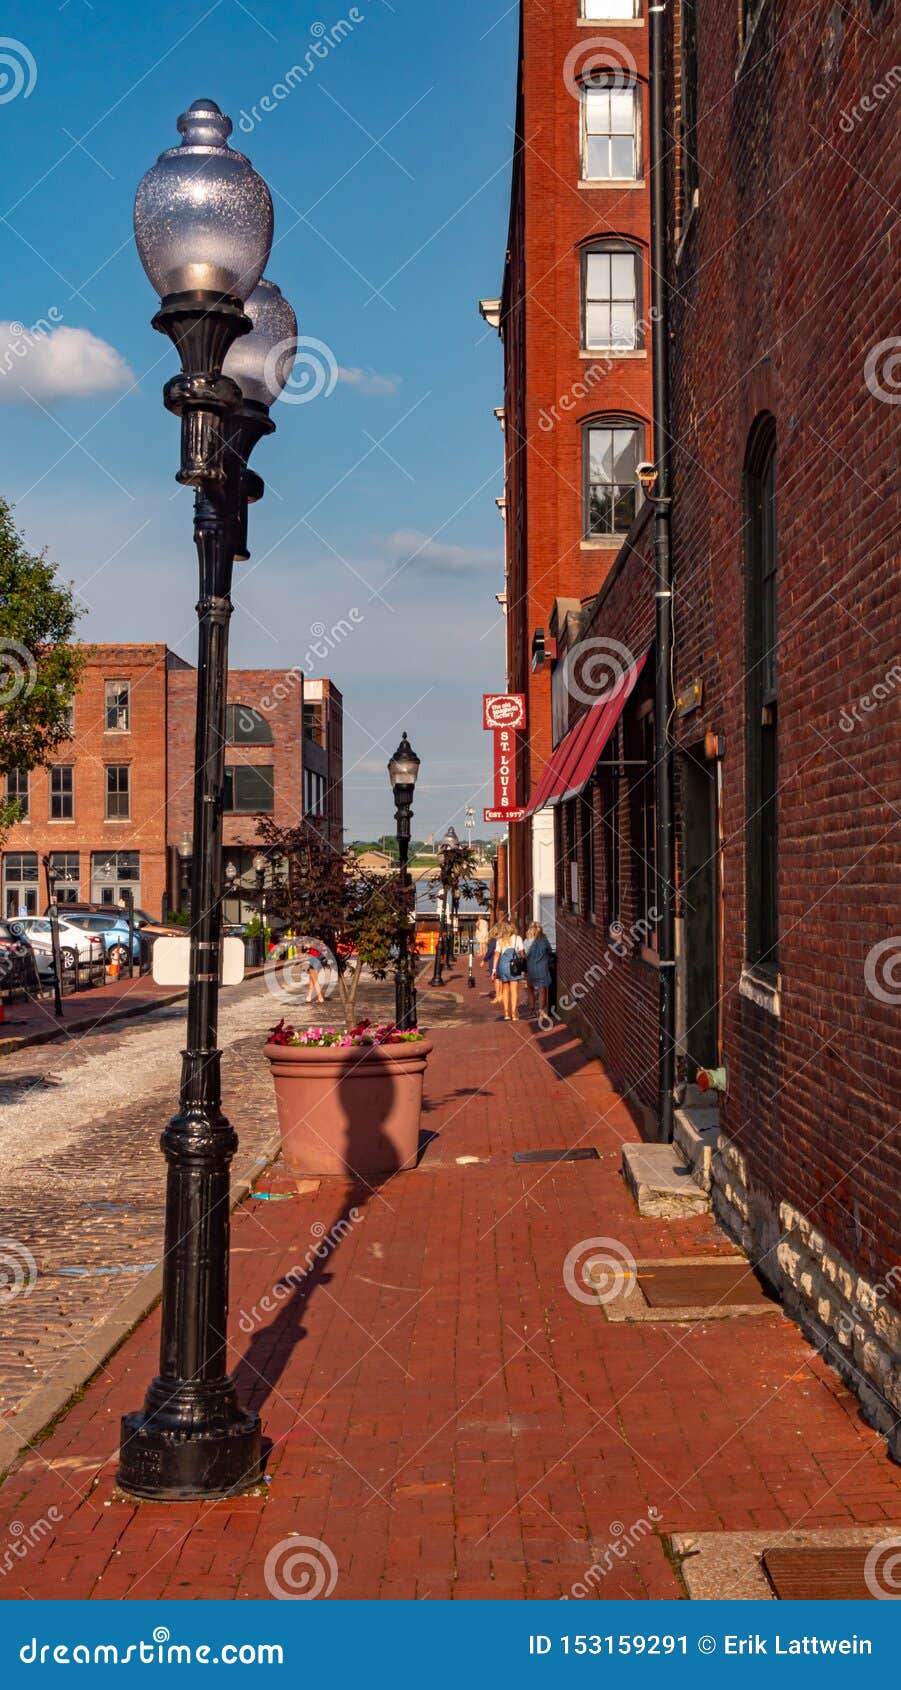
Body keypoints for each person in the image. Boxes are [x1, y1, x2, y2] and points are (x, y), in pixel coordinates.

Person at [492, 917, 526, 1022]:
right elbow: (522, 953)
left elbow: (496, 955)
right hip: (514, 966)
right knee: (514, 990)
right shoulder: (518, 938)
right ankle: (514, 1013)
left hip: (503, 966)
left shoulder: (500, 940)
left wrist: (494, 970)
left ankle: (506, 1013)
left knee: (505, 990)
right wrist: (525, 964)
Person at [524, 921, 552, 1019]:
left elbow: (524, 954)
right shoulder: (544, 939)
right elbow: (550, 949)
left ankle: (532, 1010)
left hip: (530, 968)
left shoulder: (527, 940)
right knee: (542, 990)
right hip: (542, 968)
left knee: (530, 989)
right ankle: (541, 1011)